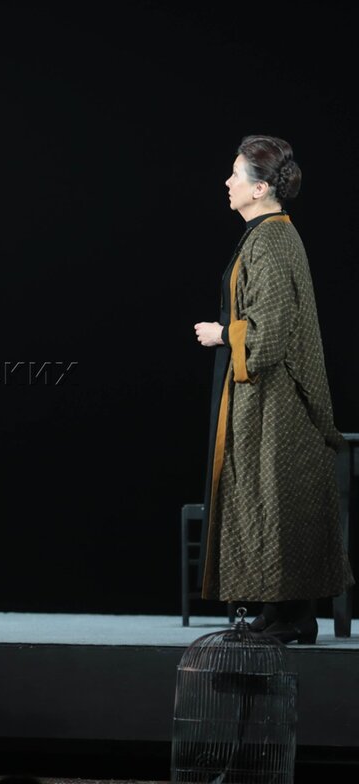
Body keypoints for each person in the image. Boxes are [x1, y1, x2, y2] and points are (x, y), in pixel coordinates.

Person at [193, 134, 353, 644]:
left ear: (260, 188)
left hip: (277, 397)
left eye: (236, 175)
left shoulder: (271, 240)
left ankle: (291, 617)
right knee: (266, 499)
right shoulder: (267, 235)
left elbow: (272, 330)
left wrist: (222, 334)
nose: (227, 182)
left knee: (275, 500)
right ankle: (279, 612)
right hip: (264, 394)